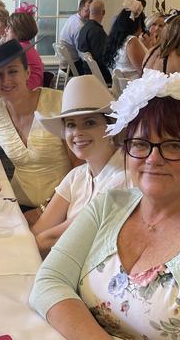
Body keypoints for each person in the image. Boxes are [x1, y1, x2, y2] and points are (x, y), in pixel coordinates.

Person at [29, 69, 180, 339]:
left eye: (173, 145)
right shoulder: (108, 206)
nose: (153, 159)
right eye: (141, 144)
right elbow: (48, 282)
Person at [0, 40, 73, 209]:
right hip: (16, 202)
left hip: (64, 204)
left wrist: (46, 209)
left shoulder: (59, 104)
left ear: (27, 72)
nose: (6, 80)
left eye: (13, 71)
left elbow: (81, 168)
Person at [29, 76, 126, 257]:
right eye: (71, 125)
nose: (77, 133)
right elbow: (40, 229)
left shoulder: (124, 178)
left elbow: (52, 239)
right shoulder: (77, 175)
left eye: (90, 123)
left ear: (111, 126)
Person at [0, 6, 44, 96]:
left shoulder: (17, 49)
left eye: (8, 27)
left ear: (18, 30)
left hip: (23, 97)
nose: (5, 30)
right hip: (27, 94)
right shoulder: (26, 46)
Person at [104, 9, 147, 78]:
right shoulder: (131, 41)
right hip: (134, 85)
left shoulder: (117, 40)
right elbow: (145, 72)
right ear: (138, 24)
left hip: (123, 86)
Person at [77, 0, 111, 83]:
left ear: (89, 12)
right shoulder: (97, 31)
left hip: (87, 72)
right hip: (99, 76)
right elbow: (103, 58)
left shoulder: (84, 28)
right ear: (103, 12)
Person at [58, 0, 92, 72]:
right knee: (93, 69)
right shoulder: (79, 26)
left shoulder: (72, 18)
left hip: (64, 62)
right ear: (80, 9)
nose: (89, 14)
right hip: (71, 66)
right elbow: (81, 51)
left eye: (91, 11)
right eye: (87, 11)